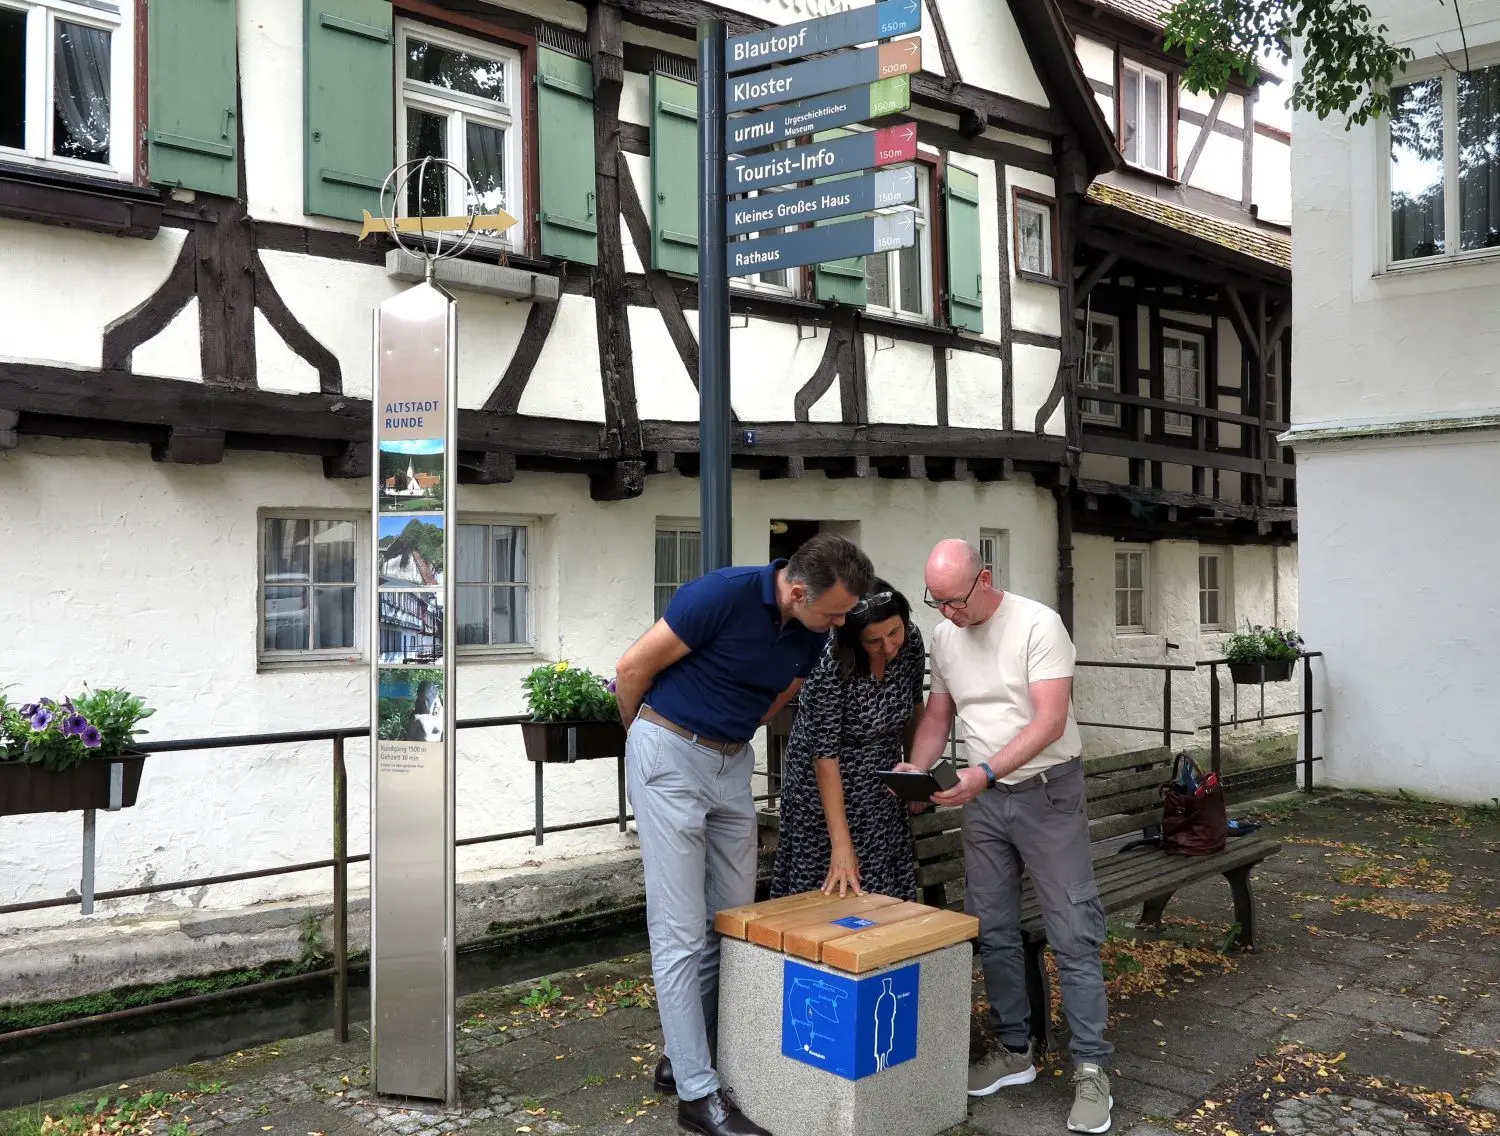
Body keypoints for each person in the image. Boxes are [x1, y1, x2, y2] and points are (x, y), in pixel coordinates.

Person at [614, 533, 875, 1136]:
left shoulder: (811, 631)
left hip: (732, 764)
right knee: (680, 932)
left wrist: (733, 733)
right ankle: (697, 1095)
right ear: (798, 591)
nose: (841, 624)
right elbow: (631, 669)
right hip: (669, 752)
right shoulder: (721, 595)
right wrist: (645, 743)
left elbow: (782, 691)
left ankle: (684, 1056)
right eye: (835, 612)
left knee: (730, 923)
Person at [898, 539, 1113, 1135]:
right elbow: (938, 716)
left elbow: (1049, 720)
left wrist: (985, 772)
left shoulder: (1039, 625)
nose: (948, 613)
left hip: (1047, 792)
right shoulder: (945, 637)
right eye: (937, 602)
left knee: (1072, 930)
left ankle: (1091, 1067)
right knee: (991, 928)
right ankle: (1014, 1049)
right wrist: (917, 770)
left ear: (985, 579)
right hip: (985, 801)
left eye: (955, 600)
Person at [770, 579, 927, 901]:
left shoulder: (910, 641)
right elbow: (824, 756)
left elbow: (914, 705)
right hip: (823, 785)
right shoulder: (829, 659)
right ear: (854, 639)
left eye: (894, 632)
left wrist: (914, 777)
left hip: (882, 780)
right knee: (834, 879)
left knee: (883, 880)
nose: (889, 647)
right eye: (874, 641)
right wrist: (841, 845)